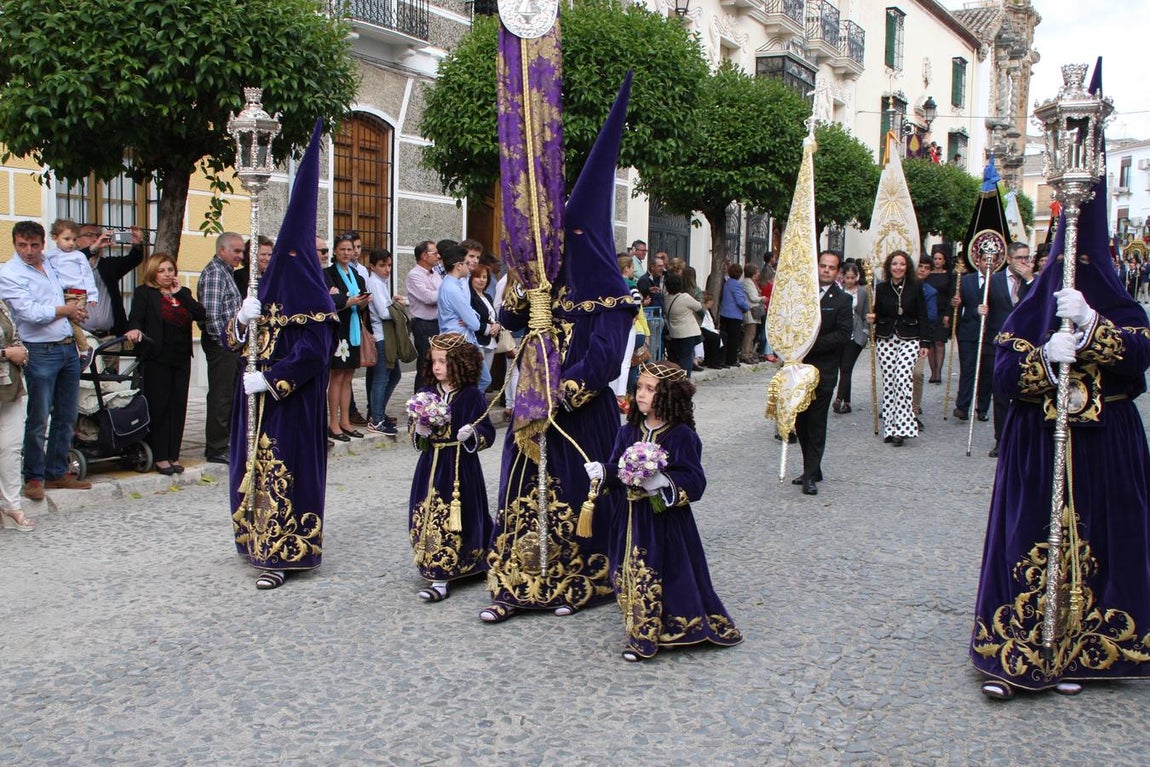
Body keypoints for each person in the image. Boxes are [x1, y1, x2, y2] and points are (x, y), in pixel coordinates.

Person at [971, 157, 1150, 699]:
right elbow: (1004, 373)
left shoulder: (1120, 305)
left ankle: (1083, 652)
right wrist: (1046, 360)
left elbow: (1139, 354)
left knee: (1101, 543)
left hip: (1105, 448)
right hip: (1039, 448)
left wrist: (1096, 327)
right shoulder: (1032, 308)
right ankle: (1022, 650)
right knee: (1029, 540)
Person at [482, 77, 636, 622]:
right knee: (520, 493)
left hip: (577, 416)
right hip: (533, 411)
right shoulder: (549, 287)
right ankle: (516, 582)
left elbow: (605, 360)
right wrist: (525, 287)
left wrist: (561, 393)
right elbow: (507, 321)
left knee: (575, 496)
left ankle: (575, 581)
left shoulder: (612, 297)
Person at [227, 120, 339, 591]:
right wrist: (241, 319)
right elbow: (237, 344)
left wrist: (273, 381)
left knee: (285, 472)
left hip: (290, 405)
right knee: (248, 468)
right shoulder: (260, 293)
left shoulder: (315, 302)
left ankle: (284, 550)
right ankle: (253, 538)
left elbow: (316, 352)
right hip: (253, 402)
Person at [586, 360, 742, 661]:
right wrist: (603, 471)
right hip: (629, 518)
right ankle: (637, 625)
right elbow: (618, 466)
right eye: (639, 387)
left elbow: (695, 479)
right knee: (626, 571)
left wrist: (663, 482)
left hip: (664, 521)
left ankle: (649, 638)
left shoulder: (681, 436)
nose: (641, 394)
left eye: (650, 389)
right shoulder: (628, 431)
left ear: (669, 395)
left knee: (661, 572)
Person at [0, 221, 92, 499]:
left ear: (43, 243)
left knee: (67, 415)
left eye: (34, 245)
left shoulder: (50, 262)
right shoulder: (9, 272)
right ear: (15, 243)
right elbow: (30, 312)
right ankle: (34, 477)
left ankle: (56, 472)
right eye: (22, 245)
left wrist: (76, 310)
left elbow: (73, 279)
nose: (29, 251)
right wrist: (67, 309)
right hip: (38, 349)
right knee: (38, 417)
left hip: (66, 346)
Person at [407, 333, 496, 602]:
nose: (437, 367)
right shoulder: (426, 393)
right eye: (434, 361)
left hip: (460, 468)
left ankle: (467, 563)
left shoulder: (471, 396)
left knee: (464, 515)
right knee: (427, 513)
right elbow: (416, 436)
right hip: (431, 464)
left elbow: (487, 432)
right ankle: (436, 571)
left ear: (460, 363)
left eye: (443, 362)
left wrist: (473, 433)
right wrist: (420, 428)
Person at [124, 255, 206, 475]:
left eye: (170, 269)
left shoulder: (183, 294)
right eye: (162, 270)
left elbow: (200, 314)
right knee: (160, 406)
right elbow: (136, 318)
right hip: (157, 357)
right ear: (153, 273)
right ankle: (159, 455)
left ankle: (173, 454)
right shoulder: (145, 293)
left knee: (178, 406)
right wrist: (134, 330)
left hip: (180, 357)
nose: (168, 274)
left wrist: (180, 294)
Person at [952, 243, 1031, 426]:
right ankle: (999, 438)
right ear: (1009, 259)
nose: (1024, 261)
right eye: (1019, 258)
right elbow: (980, 305)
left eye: (1026, 257)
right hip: (996, 340)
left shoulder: (1034, 281)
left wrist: (1029, 279)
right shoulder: (993, 281)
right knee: (997, 387)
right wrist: (980, 310)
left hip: (1025, 342)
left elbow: (1042, 302)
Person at [793, 251, 852, 494]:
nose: (826, 270)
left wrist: (812, 343)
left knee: (816, 421)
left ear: (838, 271)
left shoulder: (842, 300)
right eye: (823, 266)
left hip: (824, 369)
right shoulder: (802, 294)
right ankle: (812, 466)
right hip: (799, 368)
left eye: (831, 267)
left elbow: (843, 332)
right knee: (800, 421)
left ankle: (810, 474)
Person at [866, 250, 929, 446]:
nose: (898, 268)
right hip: (886, 337)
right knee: (890, 382)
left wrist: (925, 342)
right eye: (894, 264)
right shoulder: (882, 288)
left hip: (910, 337)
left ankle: (904, 427)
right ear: (889, 267)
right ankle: (890, 427)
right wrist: (872, 318)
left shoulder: (915, 288)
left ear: (907, 267)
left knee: (902, 378)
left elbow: (923, 315)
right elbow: (876, 311)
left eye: (902, 264)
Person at [197, 232, 245, 464]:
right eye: (236, 251)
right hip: (222, 344)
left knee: (230, 393)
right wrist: (227, 342)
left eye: (242, 251)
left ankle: (226, 442)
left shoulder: (226, 272)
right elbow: (212, 315)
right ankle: (216, 447)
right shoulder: (216, 273)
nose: (240, 255)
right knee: (221, 395)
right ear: (222, 250)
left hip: (232, 342)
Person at [324, 232, 370, 442]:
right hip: (338, 330)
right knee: (337, 376)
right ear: (335, 251)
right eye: (342, 249)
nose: (346, 253)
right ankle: (333, 422)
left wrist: (359, 301)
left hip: (353, 328)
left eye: (349, 249)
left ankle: (345, 421)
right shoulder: (328, 274)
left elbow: (353, 299)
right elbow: (330, 300)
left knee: (349, 376)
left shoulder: (357, 275)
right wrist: (346, 300)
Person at [77, 223, 145, 341]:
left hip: (109, 337)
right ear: (77, 240)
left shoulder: (108, 265)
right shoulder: (71, 265)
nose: (95, 239)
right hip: (81, 337)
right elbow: (78, 258)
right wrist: (91, 249)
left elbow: (133, 259)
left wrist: (137, 243)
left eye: (98, 235)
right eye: (89, 235)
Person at [45, 219, 99, 361]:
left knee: (72, 321)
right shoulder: (49, 256)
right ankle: (77, 348)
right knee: (63, 321)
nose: (71, 243)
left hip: (77, 294)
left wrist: (92, 295)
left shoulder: (79, 256)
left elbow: (88, 276)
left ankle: (85, 349)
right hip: (62, 294)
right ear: (55, 238)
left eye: (74, 240)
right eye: (66, 239)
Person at [0, 296, 32, 530]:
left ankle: (12, 504)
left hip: (9, 384)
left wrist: (21, 351)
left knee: (10, 447)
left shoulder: (1, 303)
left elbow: (14, 335)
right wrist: (6, 354)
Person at [365, 249, 403, 436]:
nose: (387, 269)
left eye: (389, 265)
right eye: (382, 265)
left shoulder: (380, 283)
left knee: (394, 375)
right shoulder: (374, 283)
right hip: (381, 336)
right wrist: (395, 307)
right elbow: (384, 312)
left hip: (385, 336)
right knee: (382, 377)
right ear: (372, 266)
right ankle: (376, 418)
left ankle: (377, 412)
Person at [832, 261, 869, 415]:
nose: (850, 281)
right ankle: (847, 402)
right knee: (843, 368)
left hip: (856, 335)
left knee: (846, 367)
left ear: (857, 277)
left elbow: (866, 313)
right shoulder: (837, 291)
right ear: (843, 277)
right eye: (847, 277)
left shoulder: (862, 293)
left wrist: (866, 332)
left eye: (853, 278)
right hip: (840, 334)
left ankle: (839, 398)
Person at [405, 240, 442, 389]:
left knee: (437, 364)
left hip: (437, 323)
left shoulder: (436, 274)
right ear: (424, 256)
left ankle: (434, 399)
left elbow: (438, 295)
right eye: (435, 253)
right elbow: (429, 298)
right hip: (423, 324)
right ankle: (420, 401)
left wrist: (440, 294)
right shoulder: (414, 275)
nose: (438, 256)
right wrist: (444, 292)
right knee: (425, 365)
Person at [925, 247, 956, 383]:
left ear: (944, 261)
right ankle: (932, 372)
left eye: (939, 259)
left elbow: (951, 295)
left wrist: (949, 313)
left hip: (943, 311)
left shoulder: (949, 276)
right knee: (930, 342)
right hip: (930, 311)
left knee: (939, 342)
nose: (937, 261)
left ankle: (938, 372)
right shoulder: (928, 275)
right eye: (935, 258)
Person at [663, 273, 703, 378]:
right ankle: (684, 379)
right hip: (687, 332)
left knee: (677, 358)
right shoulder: (685, 297)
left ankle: (676, 378)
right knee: (686, 358)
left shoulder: (666, 299)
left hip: (674, 333)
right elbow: (699, 307)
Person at [469, 263, 500, 379]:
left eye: (485, 277)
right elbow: (473, 320)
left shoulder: (488, 296)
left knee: (486, 379)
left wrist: (497, 325)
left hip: (491, 341)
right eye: (478, 277)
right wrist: (488, 329)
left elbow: (494, 317)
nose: (481, 280)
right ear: (471, 278)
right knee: (481, 379)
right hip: (478, 340)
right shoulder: (470, 297)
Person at [718, 263, 750, 367]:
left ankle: (724, 358)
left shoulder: (727, 283)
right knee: (734, 339)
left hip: (724, 313)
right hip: (734, 315)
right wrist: (747, 307)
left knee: (726, 338)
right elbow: (740, 301)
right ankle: (731, 359)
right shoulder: (737, 285)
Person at [739, 263, 765, 364]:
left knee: (752, 334)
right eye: (757, 271)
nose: (758, 273)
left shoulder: (752, 282)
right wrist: (762, 298)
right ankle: (745, 354)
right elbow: (753, 297)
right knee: (749, 334)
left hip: (754, 312)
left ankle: (749, 353)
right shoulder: (747, 282)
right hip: (750, 311)